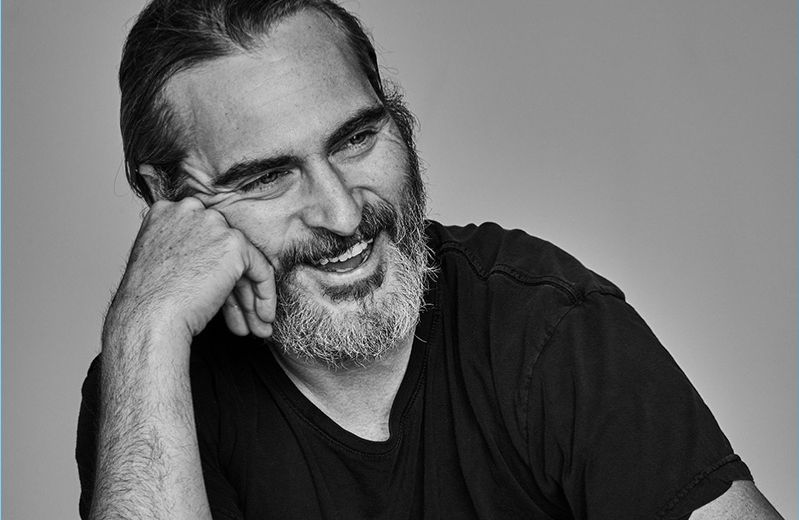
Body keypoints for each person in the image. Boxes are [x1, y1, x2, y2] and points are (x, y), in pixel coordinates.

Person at [75, 1, 784, 518]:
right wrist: (145, 327)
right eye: (267, 177)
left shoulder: (538, 321)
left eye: (356, 139)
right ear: (167, 198)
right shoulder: (152, 380)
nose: (342, 215)